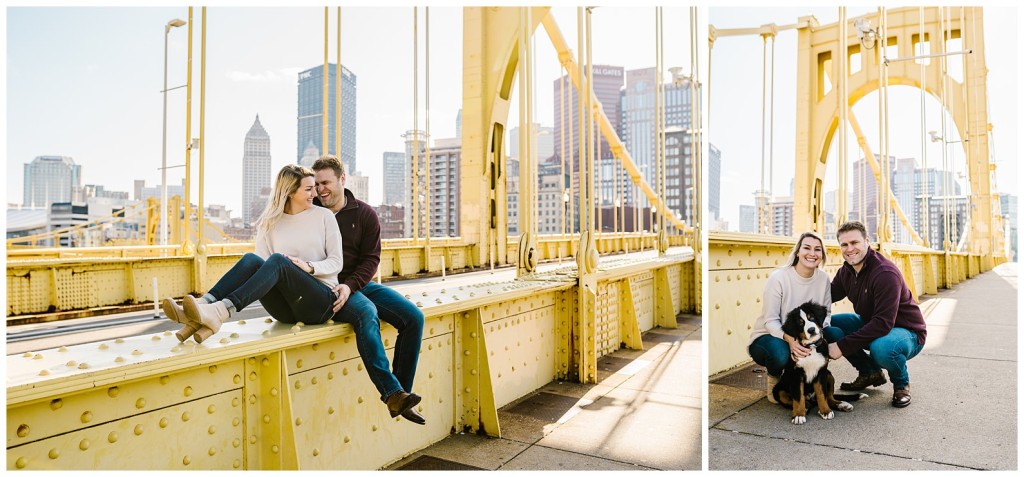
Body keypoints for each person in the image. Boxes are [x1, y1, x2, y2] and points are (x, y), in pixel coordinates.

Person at [161, 164, 344, 344]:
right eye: (309, 189)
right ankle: (204, 306)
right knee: (252, 260)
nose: (315, 194)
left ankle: (219, 312)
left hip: (320, 303)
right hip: (286, 310)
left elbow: (336, 262)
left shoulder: (324, 216)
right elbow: (262, 270)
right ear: (290, 192)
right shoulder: (269, 222)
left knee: (278, 261)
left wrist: (309, 266)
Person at [311, 155, 427, 425]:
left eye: (325, 182)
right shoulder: (311, 212)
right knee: (369, 314)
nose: (320, 190)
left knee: (414, 318)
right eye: (316, 184)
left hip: (357, 283)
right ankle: (392, 393)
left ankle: (400, 395)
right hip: (327, 284)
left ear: (342, 179)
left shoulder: (365, 214)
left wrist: (351, 285)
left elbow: (371, 260)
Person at [826, 221, 926, 408]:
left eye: (855, 242)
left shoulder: (885, 273)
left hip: (908, 332)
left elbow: (883, 324)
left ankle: (901, 384)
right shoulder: (846, 271)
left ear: (867, 241)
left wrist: (841, 346)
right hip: (873, 323)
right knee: (830, 325)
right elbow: (826, 296)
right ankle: (869, 372)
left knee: (882, 348)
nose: (850, 249)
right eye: (844, 245)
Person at [748, 231, 833, 403]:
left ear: (822, 255)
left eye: (817, 249)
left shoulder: (823, 279)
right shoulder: (779, 278)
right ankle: (775, 377)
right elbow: (770, 320)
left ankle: (813, 377)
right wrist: (792, 342)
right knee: (781, 353)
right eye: (807, 248)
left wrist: (813, 341)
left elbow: (827, 314)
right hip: (770, 336)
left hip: (806, 335)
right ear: (797, 252)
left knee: (835, 334)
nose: (812, 253)